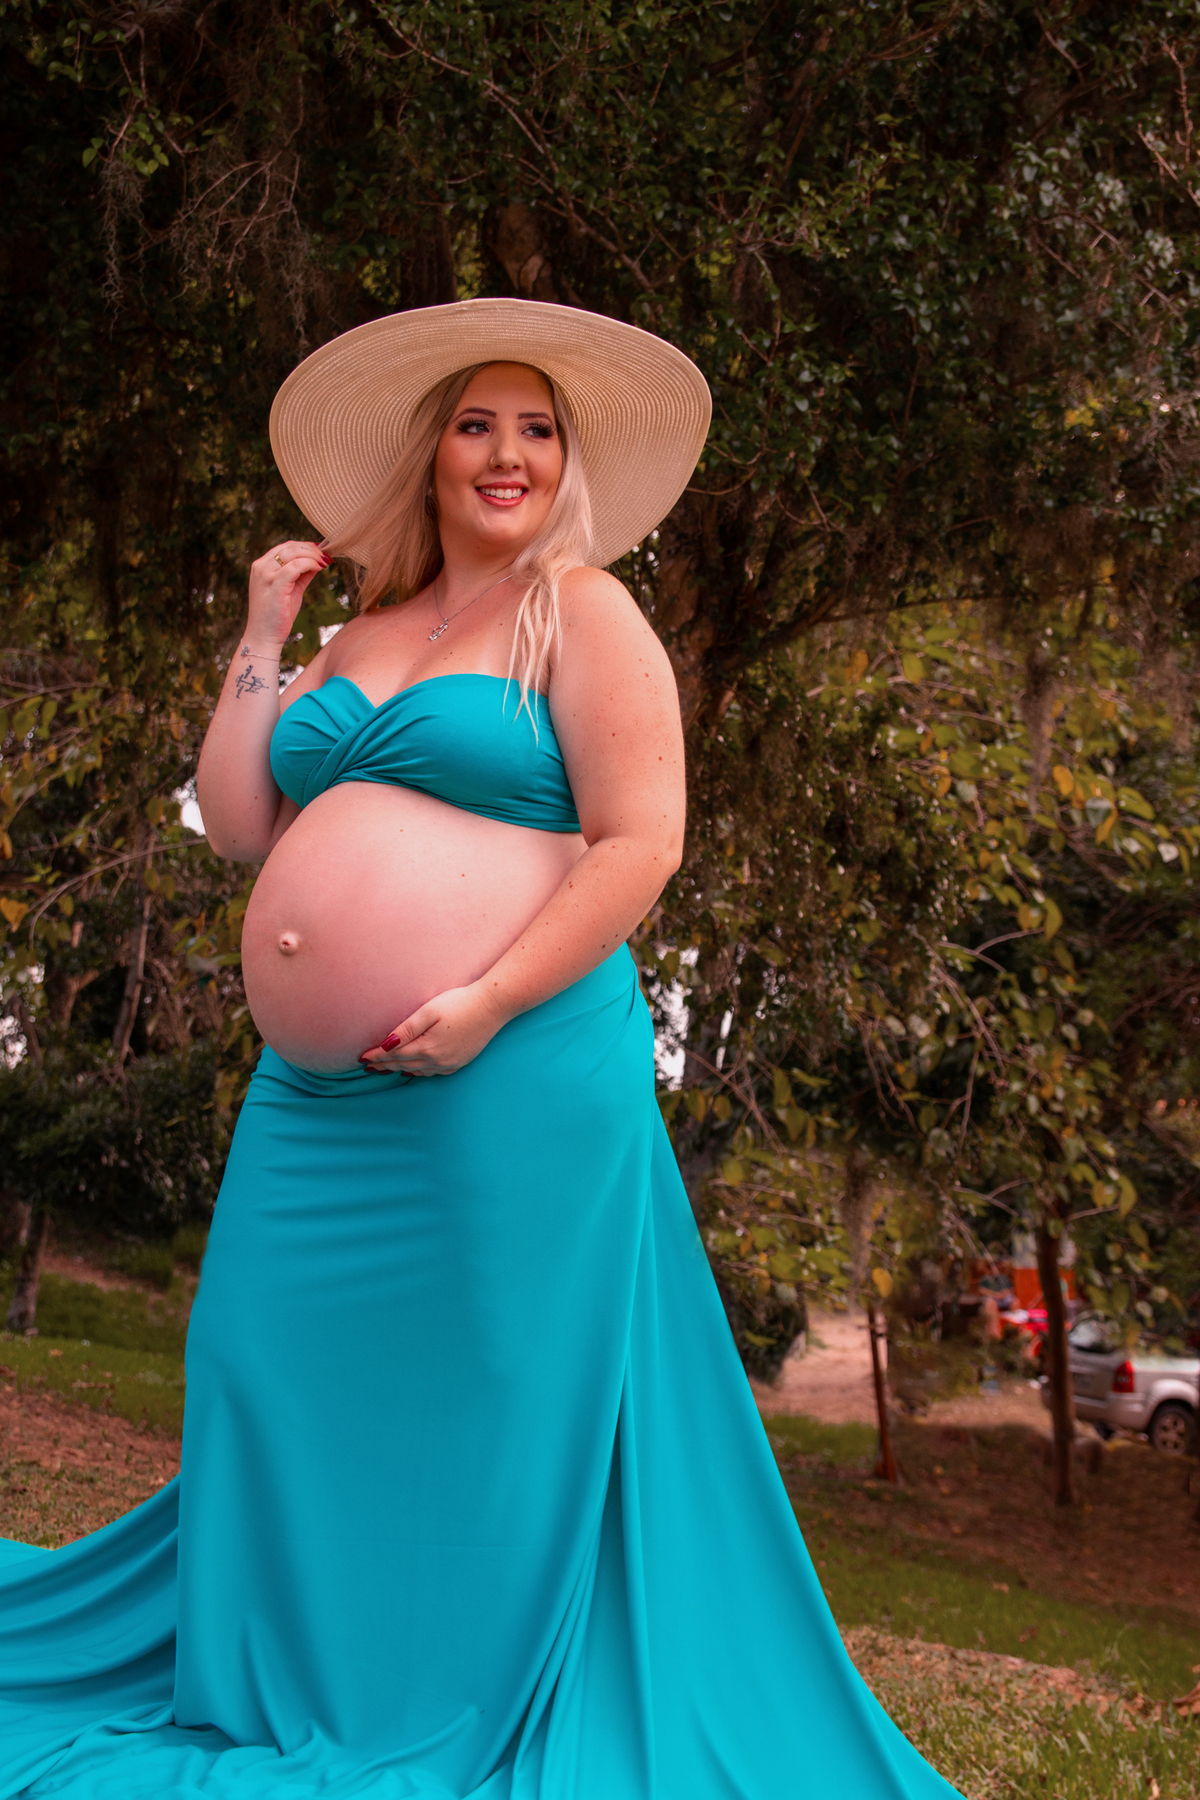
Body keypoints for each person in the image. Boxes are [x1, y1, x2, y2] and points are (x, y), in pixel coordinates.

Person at [0, 300, 962, 1799]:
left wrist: (492, 999)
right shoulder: (360, 633)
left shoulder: (582, 612)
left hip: (506, 1069)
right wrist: (263, 637)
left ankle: (435, 1698)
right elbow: (243, 824)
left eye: (537, 429)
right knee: (258, 1361)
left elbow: (643, 843)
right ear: (431, 455)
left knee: (484, 1399)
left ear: (565, 464)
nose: (507, 453)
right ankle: (284, 1684)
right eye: (475, 424)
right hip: (314, 1101)